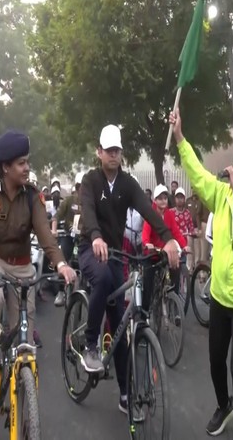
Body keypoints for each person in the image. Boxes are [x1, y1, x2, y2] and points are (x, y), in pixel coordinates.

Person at [170, 108, 233, 439]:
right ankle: (223, 404)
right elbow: (198, 174)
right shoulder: (221, 196)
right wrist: (180, 138)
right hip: (220, 296)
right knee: (216, 362)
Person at [0, 130, 76, 399]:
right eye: (21, 163)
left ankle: (21, 392)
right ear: (6, 167)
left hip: (24, 266)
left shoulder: (32, 196)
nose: (27, 168)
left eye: (28, 162)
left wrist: (60, 263)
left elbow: (46, 236)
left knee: (23, 335)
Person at [78, 124, 180, 415]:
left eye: (117, 150)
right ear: (99, 152)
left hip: (116, 253)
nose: (113, 155)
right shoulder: (91, 181)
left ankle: (126, 395)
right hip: (90, 247)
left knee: (122, 327)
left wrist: (169, 238)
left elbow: (148, 210)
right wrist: (95, 235)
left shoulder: (128, 183)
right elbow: (86, 211)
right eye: (108, 150)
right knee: (103, 278)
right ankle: (90, 345)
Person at [141, 184, 188, 310]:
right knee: (148, 281)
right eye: (160, 198)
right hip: (152, 253)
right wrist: (147, 244)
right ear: (155, 200)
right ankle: (144, 313)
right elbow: (145, 233)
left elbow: (176, 232)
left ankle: (174, 304)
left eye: (165, 198)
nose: (163, 201)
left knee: (176, 268)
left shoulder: (169, 215)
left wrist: (184, 245)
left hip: (165, 252)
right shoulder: (151, 214)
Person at [51, 172, 83, 306]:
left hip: (84, 239)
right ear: (77, 187)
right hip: (68, 236)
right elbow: (56, 217)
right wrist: (53, 230)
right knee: (62, 257)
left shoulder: (91, 202)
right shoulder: (69, 200)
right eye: (82, 186)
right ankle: (60, 292)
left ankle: (87, 290)